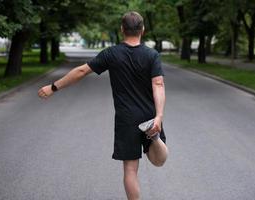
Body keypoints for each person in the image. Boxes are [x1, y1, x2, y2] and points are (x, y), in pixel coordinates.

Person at [38, 11, 168, 200]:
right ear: (143, 30)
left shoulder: (111, 54)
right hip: (150, 115)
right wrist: (159, 116)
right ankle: (154, 137)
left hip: (126, 119)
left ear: (122, 29)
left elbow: (82, 71)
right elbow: (158, 84)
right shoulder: (152, 55)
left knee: (130, 170)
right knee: (159, 160)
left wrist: (53, 87)